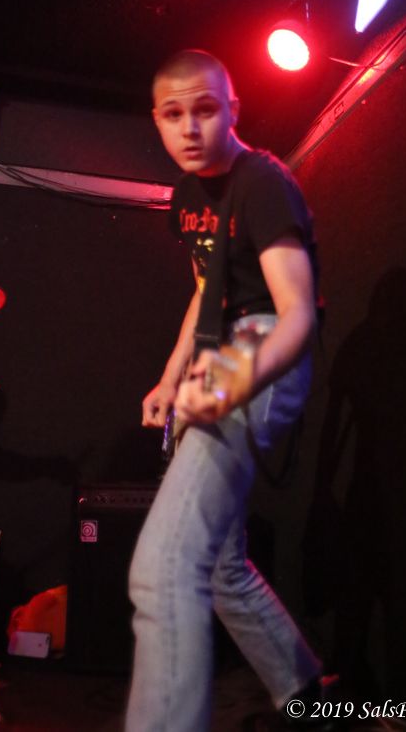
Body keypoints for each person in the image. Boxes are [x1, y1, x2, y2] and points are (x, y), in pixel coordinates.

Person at [126, 50, 333, 731]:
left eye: (205, 110)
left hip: (261, 341)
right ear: (156, 121)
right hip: (221, 348)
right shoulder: (187, 199)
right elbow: (204, 295)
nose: (190, 128)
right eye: (173, 114)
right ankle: (311, 696)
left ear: (233, 110)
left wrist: (230, 381)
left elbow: (296, 313)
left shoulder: (263, 182)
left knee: (163, 569)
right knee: (219, 567)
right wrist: (170, 376)